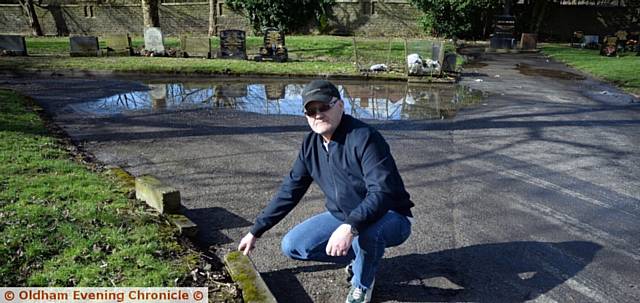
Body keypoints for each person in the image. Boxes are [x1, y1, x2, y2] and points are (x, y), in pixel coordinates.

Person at [237, 80, 414, 303]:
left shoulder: (365, 137)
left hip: (391, 216)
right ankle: (363, 259)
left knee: (368, 234)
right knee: (293, 246)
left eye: (324, 107)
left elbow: (382, 191)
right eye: (311, 110)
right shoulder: (311, 144)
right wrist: (256, 230)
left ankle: (362, 285)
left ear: (340, 106)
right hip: (344, 216)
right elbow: (290, 189)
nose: (318, 114)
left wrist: (350, 227)